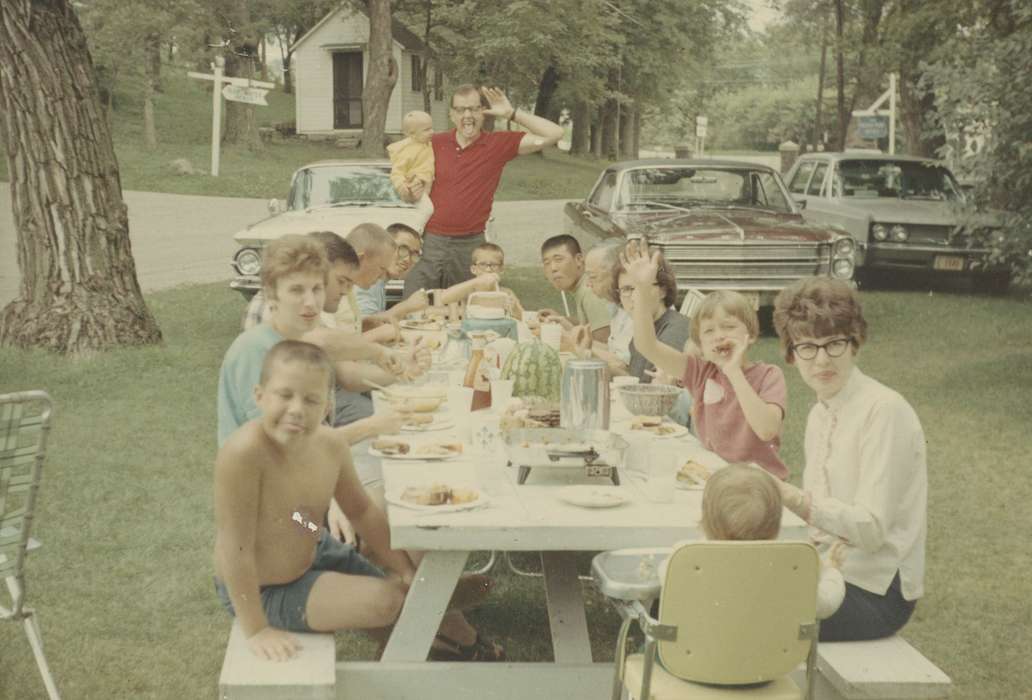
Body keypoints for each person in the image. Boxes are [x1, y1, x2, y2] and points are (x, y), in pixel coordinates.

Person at [214, 340, 414, 661]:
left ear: (326, 407)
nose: (297, 409)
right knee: (387, 601)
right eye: (285, 395)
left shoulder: (331, 445)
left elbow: (360, 511)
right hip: (267, 588)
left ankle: (451, 632)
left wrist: (405, 569)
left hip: (314, 543)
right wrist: (257, 629)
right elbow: (234, 548)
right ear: (259, 396)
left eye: (311, 400)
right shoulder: (243, 455)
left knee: (410, 575)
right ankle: (430, 616)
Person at [772, 277, 926, 642]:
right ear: (792, 354)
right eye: (807, 346)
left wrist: (794, 499)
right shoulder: (820, 413)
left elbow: (871, 529)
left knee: (746, 615)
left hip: (875, 591)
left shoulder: (884, 410)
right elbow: (820, 527)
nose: (822, 359)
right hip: (829, 572)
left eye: (834, 343)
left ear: (855, 344)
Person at [622, 241, 788, 479]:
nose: (719, 335)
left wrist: (734, 372)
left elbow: (766, 429)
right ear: (700, 343)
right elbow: (646, 345)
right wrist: (641, 287)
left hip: (760, 484)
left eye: (729, 327)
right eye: (709, 331)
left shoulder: (769, 375)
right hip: (713, 475)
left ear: (750, 335)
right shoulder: (700, 372)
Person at [402, 85, 564, 295]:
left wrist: (511, 113)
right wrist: (409, 193)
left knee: (472, 308)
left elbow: (555, 133)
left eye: (473, 109)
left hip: (471, 245)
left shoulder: (498, 144)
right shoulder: (433, 143)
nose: (467, 116)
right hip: (431, 242)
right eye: (461, 110)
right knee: (416, 305)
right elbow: (406, 191)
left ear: (483, 112)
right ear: (451, 114)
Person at [691, 464, 845, 620]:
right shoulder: (789, 572)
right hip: (775, 645)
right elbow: (828, 602)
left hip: (704, 645)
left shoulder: (689, 564)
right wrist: (831, 571)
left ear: (705, 521)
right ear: (775, 526)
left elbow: (666, 579)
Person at [538, 235, 612, 343]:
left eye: (558, 260)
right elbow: (589, 325)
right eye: (547, 263)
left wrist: (566, 335)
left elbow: (604, 343)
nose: (553, 268)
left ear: (579, 259)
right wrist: (561, 319)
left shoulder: (591, 290)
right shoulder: (580, 289)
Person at [388, 111, 435, 230]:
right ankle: (416, 230)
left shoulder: (427, 144)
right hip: (416, 185)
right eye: (426, 130)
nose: (432, 132)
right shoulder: (407, 151)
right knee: (428, 209)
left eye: (431, 128)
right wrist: (402, 186)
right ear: (412, 134)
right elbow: (397, 172)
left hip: (427, 182)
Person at [467, 242, 523, 319]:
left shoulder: (506, 294)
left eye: (494, 265)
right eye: (482, 264)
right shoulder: (468, 293)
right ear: (473, 269)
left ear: (501, 269)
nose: (488, 269)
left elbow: (521, 318)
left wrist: (515, 308)